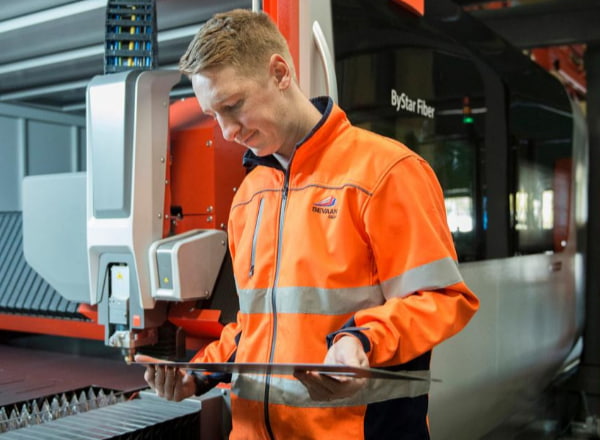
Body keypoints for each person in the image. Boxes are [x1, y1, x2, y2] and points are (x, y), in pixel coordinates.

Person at [138, 8, 479, 439]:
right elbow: (258, 326)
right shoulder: (250, 195)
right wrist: (198, 373)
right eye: (214, 114)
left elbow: (443, 298)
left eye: (233, 106)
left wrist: (361, 339)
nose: (225, 131)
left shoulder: (386, 171)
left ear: (280, 72)